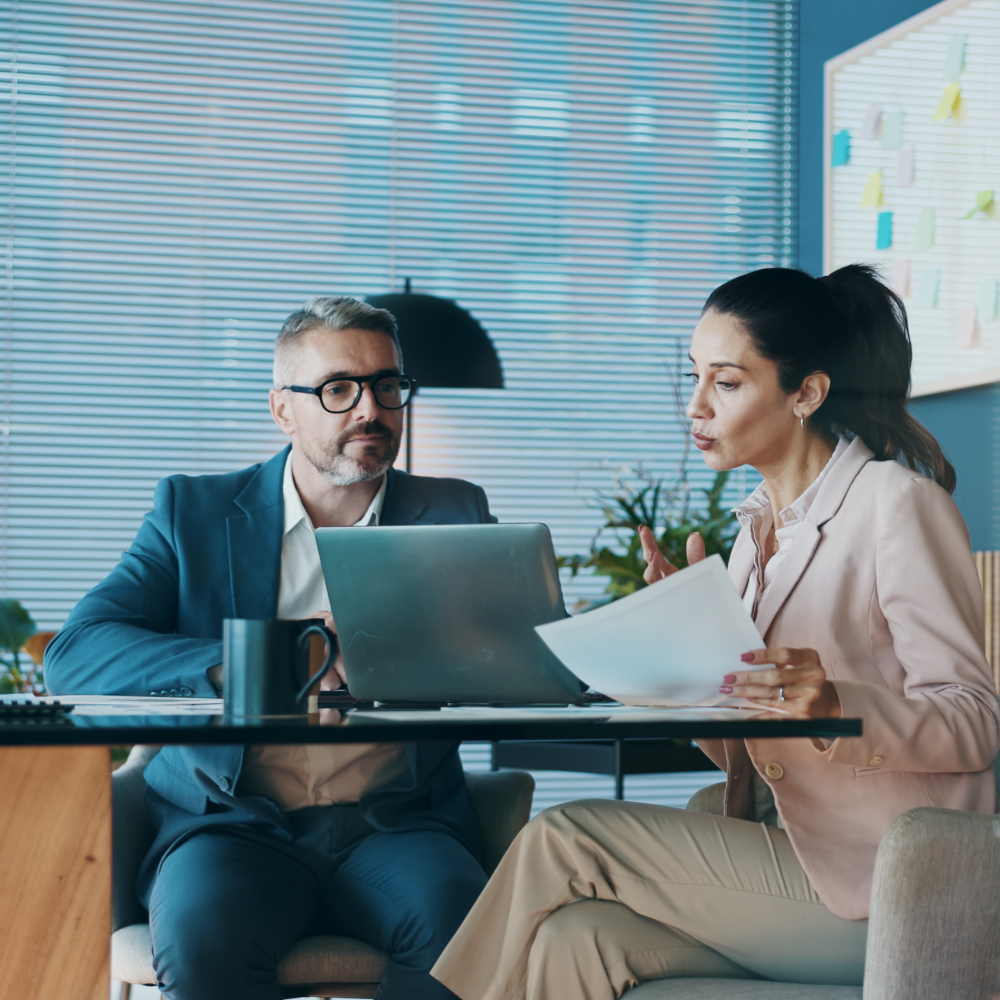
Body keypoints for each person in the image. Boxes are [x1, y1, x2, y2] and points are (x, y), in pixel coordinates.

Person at [430, 265, 1000, 1000]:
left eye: (725, 383)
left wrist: (834, 706)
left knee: (565, 835)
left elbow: (976, 720)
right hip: (785, 852)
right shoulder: (756, 536)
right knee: (578, 940)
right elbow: (742, 742)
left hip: (890, 883)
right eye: (695, 377)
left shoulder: (897, 505)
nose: (696, 406)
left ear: (807, 393)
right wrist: (684, 648)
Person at [44, 296, 497, 1000]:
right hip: (229, 823)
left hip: (397, 822)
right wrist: (260, 664)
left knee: (464, 931)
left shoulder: (457, 513)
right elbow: (76, 653)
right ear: (282, 408)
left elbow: (510, 660)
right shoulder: (191, 514)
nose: (369, 410)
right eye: (338, 388)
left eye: (387, 385)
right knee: (204, 939)